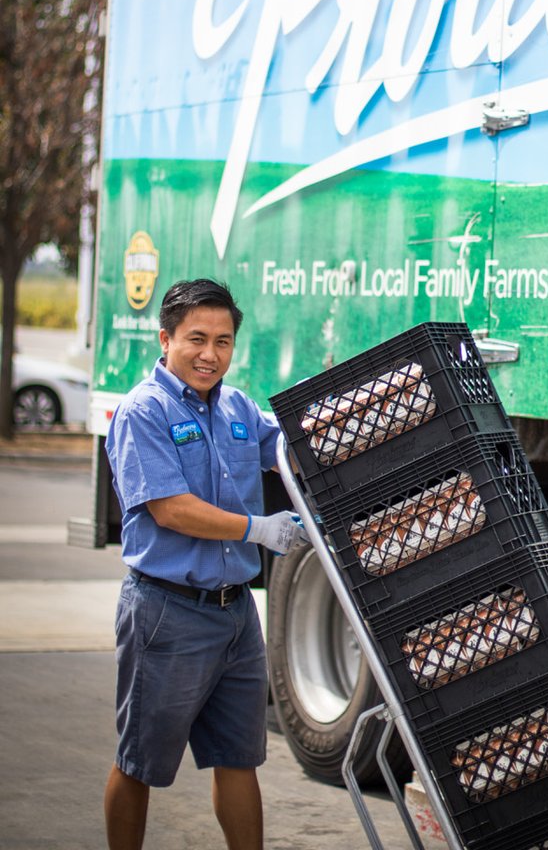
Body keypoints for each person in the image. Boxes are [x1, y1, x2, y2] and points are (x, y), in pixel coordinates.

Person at [103, 277, 309, 850]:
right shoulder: (144, 412)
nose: (209, 354)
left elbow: (289, 451)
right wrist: (257, 529)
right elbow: (170, 509)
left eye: (223, 342)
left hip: (236, 616)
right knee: (139, 761)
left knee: (238, 759)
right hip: (168, 613)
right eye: (197, 339)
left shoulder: (238, 407)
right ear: (166, 339)